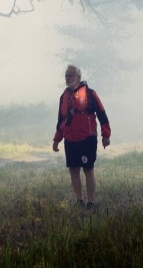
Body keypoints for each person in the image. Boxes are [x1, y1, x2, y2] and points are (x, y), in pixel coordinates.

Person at [52, 64, 111, 210]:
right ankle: (79, 200)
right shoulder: (63, 97)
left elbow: (102, 114)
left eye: (70, 75)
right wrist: (56, 139)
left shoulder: (90, 94)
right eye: (66, 75)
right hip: (70, 139)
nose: (68, 78)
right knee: (73, 170)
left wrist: (106, 135)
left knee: (88, 169)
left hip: (87, 138)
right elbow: (61, 120)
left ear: (78, 77)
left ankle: (91, 202)